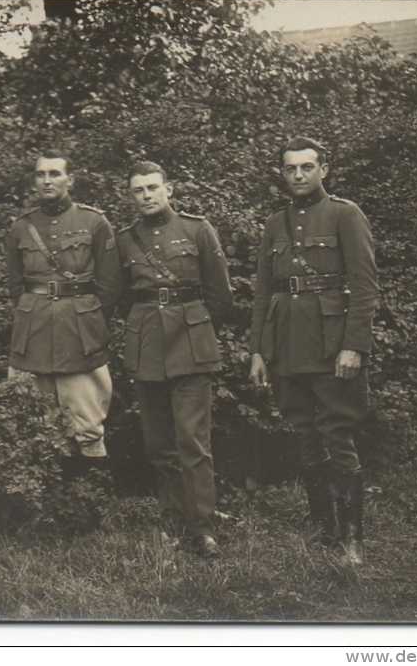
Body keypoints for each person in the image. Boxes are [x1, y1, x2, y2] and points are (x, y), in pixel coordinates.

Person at [248, 136, 378, 566]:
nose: (299, 175)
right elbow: (264, 294)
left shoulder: (345, 214)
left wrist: (353, 346)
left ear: (324, 169)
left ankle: (353, 541)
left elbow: (364, 287)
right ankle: (325, 531)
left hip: (330, 345)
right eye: (291, 168)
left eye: (307, 167)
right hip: (286, 345)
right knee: (305, 433)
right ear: (282, 174)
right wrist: (258, 352)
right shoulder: (274, 224)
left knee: (337, 434)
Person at [117, 162, 232, 557]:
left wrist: (194, 326)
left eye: (152, 187)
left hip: (191, 342)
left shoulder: (198, 229)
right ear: (130, 196)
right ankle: (172, 520)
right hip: (146, 342)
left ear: (169, 188)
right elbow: (120, 297)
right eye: (138, 190)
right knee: (158, 440)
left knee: (193, 440)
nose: (147, 196)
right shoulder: (125, 240)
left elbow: (221, 296)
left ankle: (203, 528)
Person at [4, 150, 122, 465]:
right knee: (35, 420)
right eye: (41, 174)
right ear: (34, 181)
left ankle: (93, 502)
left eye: (54, 174)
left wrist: (89, 321)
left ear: (69, 180)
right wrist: (33, 312)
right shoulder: (21, 227)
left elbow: (110, 286)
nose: (47, 180)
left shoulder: (94, 222)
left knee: (87, 423)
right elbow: (16, 286)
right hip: (34, 331)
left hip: (79, 333)